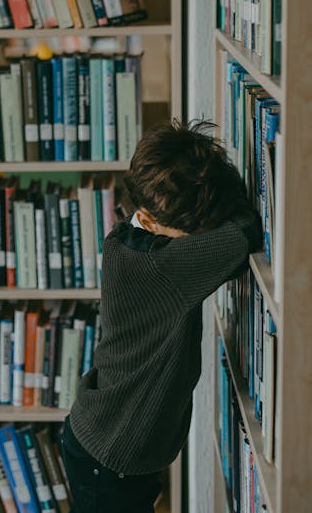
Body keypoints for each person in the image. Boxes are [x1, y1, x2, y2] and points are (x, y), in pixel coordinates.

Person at [60, 120, 262, 513]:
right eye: (192, 232)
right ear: (151, 220)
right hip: (111, 452)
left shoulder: (126, 239)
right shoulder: (164, 267)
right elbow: (243, 235)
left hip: (104, 441)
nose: (200, 239)